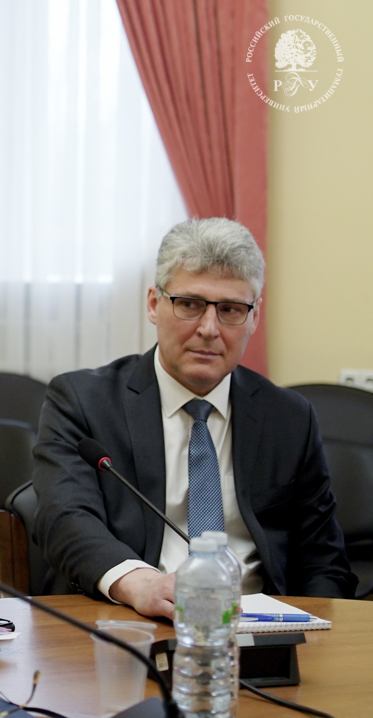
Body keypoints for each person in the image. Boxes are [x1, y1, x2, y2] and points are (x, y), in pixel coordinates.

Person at [33, 217, 355, 619]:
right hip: (128, 622)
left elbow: (323, 561)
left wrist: (313, 633)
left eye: (230, 309)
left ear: (254, 318)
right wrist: (139, 583)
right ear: (154, 304)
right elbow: (66, 520)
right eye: (189, 304)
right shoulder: (82, 401)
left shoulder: (289, 417)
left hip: (259, 627)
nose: (209, 329)